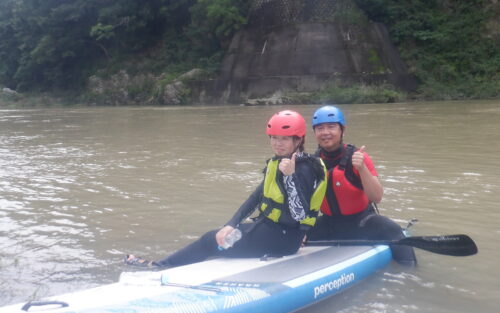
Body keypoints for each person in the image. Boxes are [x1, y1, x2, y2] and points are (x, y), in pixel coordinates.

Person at [125, 109, 327, 268]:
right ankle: (183, 261)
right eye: (273, 137)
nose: (277, 143)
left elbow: (299, 214)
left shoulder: (304, 169)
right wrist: (231, 224)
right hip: (271, 230)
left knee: (208, 241)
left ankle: (159, 266)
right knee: (220, 235)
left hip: (282, 240)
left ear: (298, 139)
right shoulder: (280, 162)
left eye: (284, 138)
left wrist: (290, 177)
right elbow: (256, 197)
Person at [306, 105, 417, 265]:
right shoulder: (311, 163)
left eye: (331, 127)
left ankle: (410, 275)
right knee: (293, 232)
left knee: (393, 231)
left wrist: (362, 168)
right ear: (315, 132)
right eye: (320, 128)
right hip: (329, 223)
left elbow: (376, 197)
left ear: (342, 130)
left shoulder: (358, 157)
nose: (325, 132)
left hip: (361, 222)